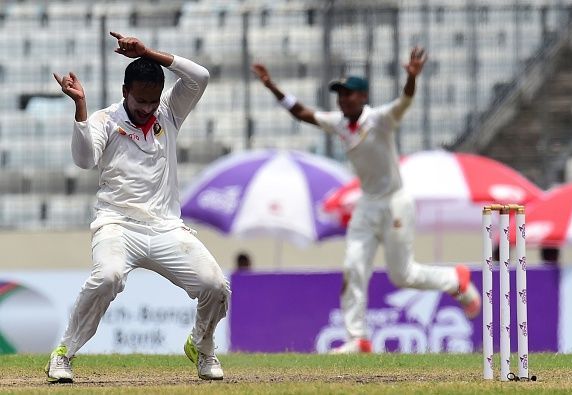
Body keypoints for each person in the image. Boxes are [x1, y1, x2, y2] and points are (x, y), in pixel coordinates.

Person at [252, 47, 480, 354]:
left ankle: (455, 278)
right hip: (367, 204)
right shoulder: (339, 123)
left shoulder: (380, 119)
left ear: (362, 97)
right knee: (353, 267)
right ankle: (357, 338)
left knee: (403, 276)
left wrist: (411, 78)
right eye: (339, 95)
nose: (342, 99)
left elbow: (405, 102)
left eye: (348, 94)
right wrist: (272, 87)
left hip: (395, 202)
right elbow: (302, 113)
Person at [47, 32, 230, 382]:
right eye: (140, 100)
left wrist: (148, 53)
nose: (147, 108)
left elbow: (200, 76)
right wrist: (80, 108)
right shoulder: (106, 119)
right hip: (117, 224)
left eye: (152, 100)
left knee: (215, 286)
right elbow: (85, 160)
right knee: (107, 277)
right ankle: (63, 354)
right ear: (124, 91)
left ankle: (202, 348)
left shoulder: (169, 113)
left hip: (165, 228)